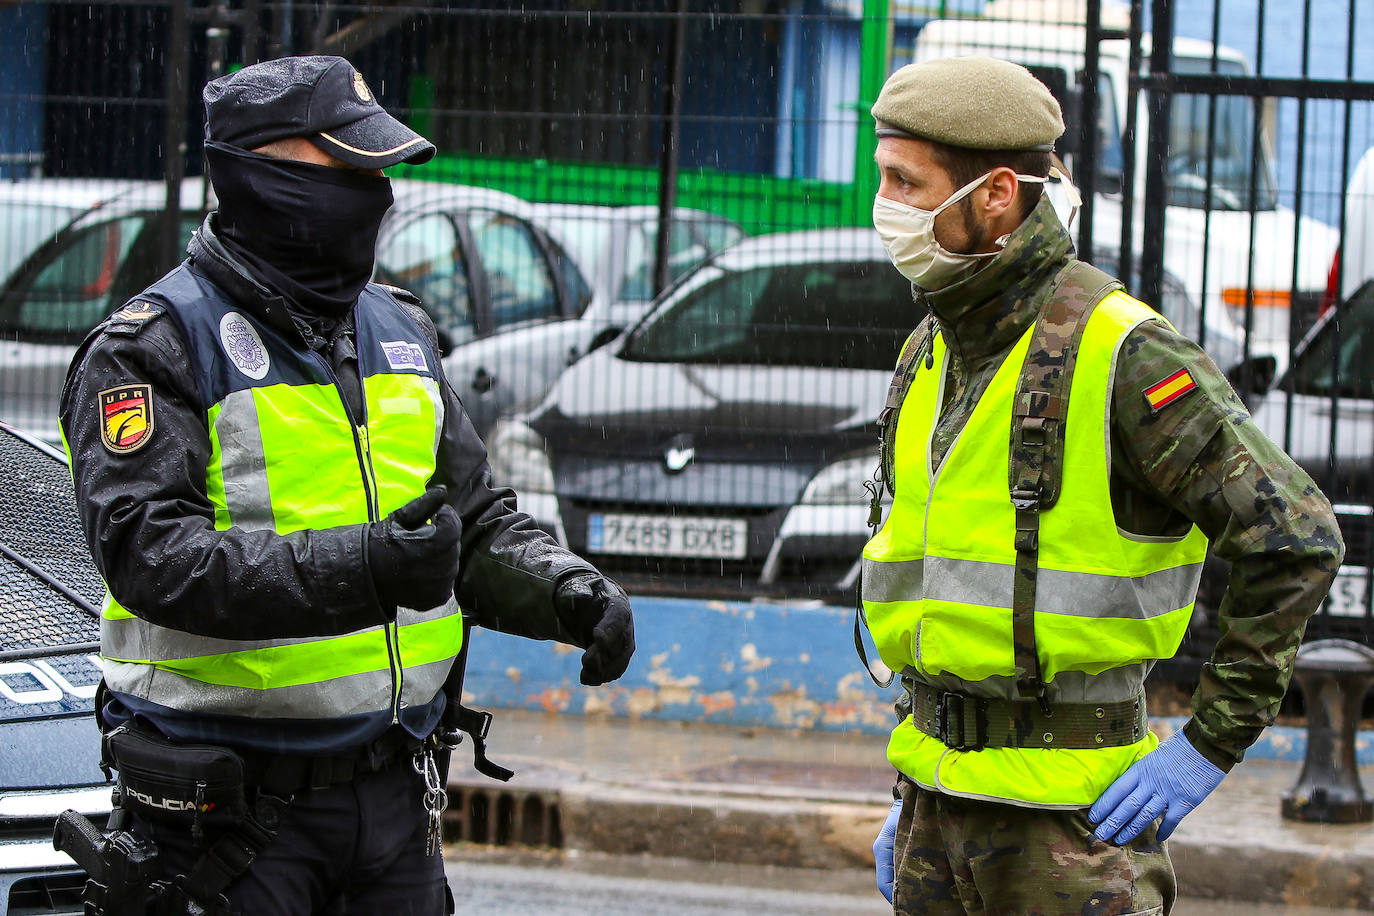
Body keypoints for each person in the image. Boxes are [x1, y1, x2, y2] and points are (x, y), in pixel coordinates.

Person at [59, 55, 634, 916]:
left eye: (378, 173)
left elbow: (470, 522)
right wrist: (362, 571)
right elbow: (152, 557)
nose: (375, 194)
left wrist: (563, 589)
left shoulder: (399, 326)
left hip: (393, 798)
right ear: (256, 176)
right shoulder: (151, 348)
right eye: (349, 170)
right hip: (228, 820)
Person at [859, 56, 1342, 915]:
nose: (885, 204)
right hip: (936, 805)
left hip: (1072, 830)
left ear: (998, 195)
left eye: (905, 180)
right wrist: (920, 797)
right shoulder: (933, 348)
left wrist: (1205, 747)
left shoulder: (1126, 355)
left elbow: (1296, 538)